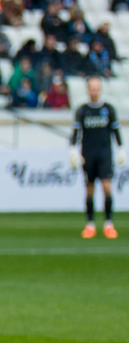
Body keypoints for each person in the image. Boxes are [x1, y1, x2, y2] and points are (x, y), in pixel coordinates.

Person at [71, 76, 124, 239]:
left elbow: (116, 131)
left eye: (97, 88)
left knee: (107, 188)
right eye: (91, 88)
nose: (94, 91)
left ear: (100, 89)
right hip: (88, 155)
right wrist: (73, 150)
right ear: (88, 90)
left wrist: (121, 149)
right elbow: (76, 133)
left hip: (105, 154)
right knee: (89, 190)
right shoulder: (82, 110)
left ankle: (108, 224)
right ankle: (90, 224)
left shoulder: (109, 109)